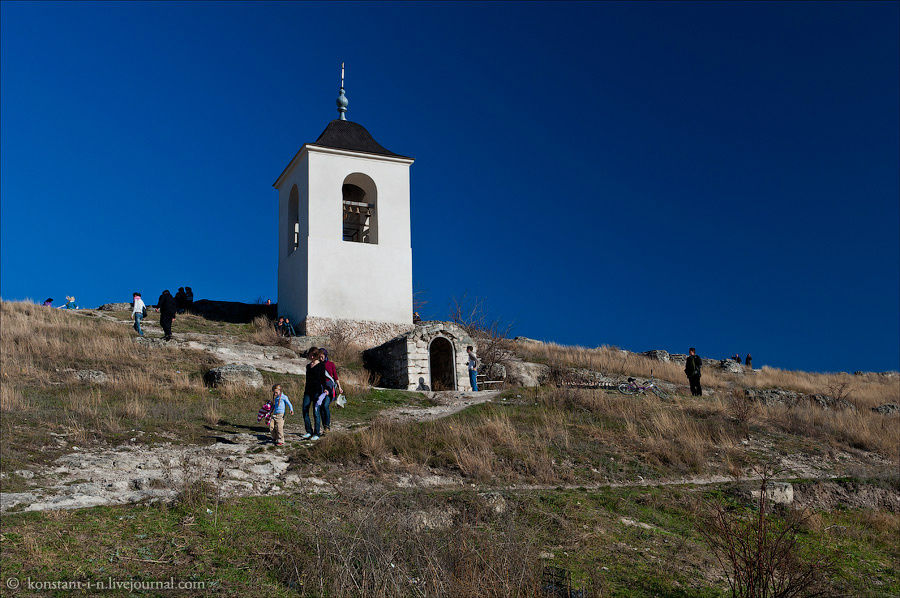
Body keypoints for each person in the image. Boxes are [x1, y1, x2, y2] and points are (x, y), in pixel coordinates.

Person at [302, 348, 328, 440]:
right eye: (310, 355)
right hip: (308, 391)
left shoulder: (321, 365)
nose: (312, 357)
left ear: (316, 355)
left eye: (314, 355)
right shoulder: (308, 366)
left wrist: (325, 389)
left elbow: (323, 379)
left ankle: (317, 433)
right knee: (304, 410)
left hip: (317, 392)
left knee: (316, 413)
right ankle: (309, 431)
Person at [320, 348, 343, 434]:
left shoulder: (331, 364)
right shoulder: (318, 365)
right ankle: (324, 426)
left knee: (325, 406)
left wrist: (339, 388)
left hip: (329, 388)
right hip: (321, 388)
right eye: (319, 356)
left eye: (321, 356)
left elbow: (335, 377)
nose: (320, 358)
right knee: (321, 407)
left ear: (325, 355)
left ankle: (327, 427)